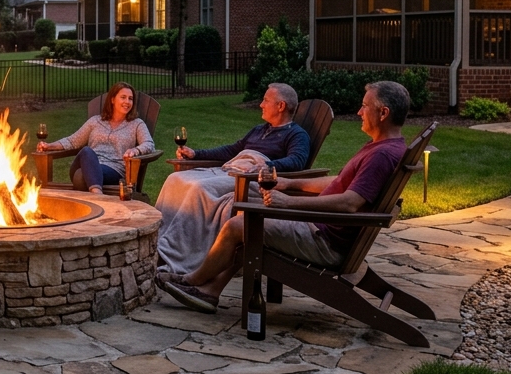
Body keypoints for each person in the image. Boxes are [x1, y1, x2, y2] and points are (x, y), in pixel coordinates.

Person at [157, 80, 412, 314]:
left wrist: (289, 201)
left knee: (239, 224)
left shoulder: (381, 155)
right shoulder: (383, 147)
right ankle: (209, 291)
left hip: (324, 240)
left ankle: (192, 280)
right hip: (324, 228)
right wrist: (291, 182)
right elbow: (337, 183)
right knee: (249, 220)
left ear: (383, 113)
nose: (359, 111)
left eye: (365, 106)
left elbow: (349, 202)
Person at [155, 83, 311, 274]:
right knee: (175, 179)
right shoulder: (258, 130)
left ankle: (174, 253)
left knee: (199, 188)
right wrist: (196, 153)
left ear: (281, 106)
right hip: (229, 170)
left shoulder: (296, 134)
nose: (261, 104)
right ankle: (157, 241)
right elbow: (232, 150)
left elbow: (297, 160)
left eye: (266, 100)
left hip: (250, 179)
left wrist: (268, 166)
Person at [37, 81, 156, 194]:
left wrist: (135, 150)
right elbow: (73, 141)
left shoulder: (136, 124)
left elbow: (149, 144)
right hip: (87, 163)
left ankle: (96, 193)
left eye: (130, 98)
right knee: (87, 152)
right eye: (123, 97)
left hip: (114, 170)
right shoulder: (95, 121)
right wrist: (49, 146)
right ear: (113, 99)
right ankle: (98, 194)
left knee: (80, 177)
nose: (127, 101)